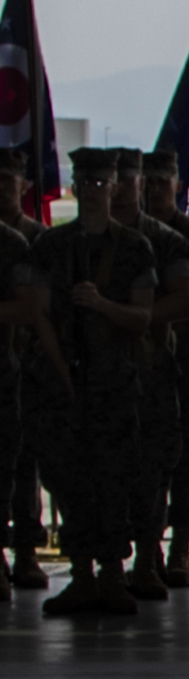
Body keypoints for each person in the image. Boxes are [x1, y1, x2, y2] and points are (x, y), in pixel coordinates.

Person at [25, 148, 157, 616]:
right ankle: (82, 573)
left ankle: (113, 574)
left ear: (116, 187)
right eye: (86, 183)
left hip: (114, 380)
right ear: (75, 187)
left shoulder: (135, 247)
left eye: (103, 183)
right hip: (63, 380)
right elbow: (37, 312)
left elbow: (142, 317)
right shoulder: (51, 245)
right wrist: (60, 369)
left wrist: (101, 305)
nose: (94, 191)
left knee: (115, 477)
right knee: (67, 477)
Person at [109, 148, 189, 600]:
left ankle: (159, 553)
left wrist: (130, 316)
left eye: (132, 179)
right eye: (116, 180)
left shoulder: (172, 240)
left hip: (165, 370)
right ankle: (108, 563)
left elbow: (188, 300)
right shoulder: (93, 240)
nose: (125, 188)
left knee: (164, 467)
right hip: (103, 375)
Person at [143, 149, 189, 587]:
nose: (154, 188)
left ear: (177, 184)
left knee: (187, 459)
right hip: (145, 367)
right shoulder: (131, 235)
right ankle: (148, 545)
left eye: (161, 180)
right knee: (146, 461)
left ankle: (180, 548)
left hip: (186, 364)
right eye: (147, 181)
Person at [0, 148, 49, 593]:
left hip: (29, 367)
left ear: (23, 187)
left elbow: (39, 310)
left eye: (7, 181)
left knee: (25, 462)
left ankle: (28, 551)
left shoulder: (35, 240)